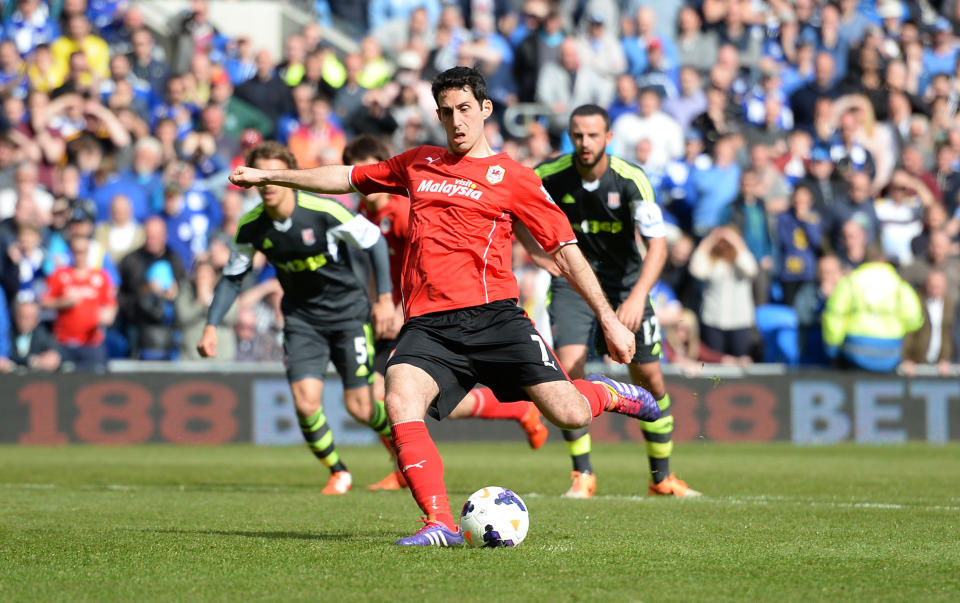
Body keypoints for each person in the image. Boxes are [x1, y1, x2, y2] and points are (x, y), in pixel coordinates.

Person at [228, 67, 661, 547]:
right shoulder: (418, 163)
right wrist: (271, 175)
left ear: (485, 110)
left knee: (571, 414)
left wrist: (607, 318)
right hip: (429, 325)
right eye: (447, 112)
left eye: (465, 110)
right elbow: (345, 178)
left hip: (495, 317)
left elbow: (565, 250)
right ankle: (439, 523)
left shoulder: (515, 177)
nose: (456, 121)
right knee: (398, 397)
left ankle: (611, 394)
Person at [341, 134, 550, 492]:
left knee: (410, 397)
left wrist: (393, 303)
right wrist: (380, 299)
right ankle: (405, 465)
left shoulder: (405, 209)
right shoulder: (364, 212)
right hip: (391, 310)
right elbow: (381, 264)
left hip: (420, 313)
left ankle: (516, 410)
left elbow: (426, 261)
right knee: (390, 398)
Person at [200, 141, 396, 496]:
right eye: (262, 178)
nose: (269, 184)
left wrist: (383, 299)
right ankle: (338, 471)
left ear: (289, 176)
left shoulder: (322, 210)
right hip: (303, 321)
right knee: (305, 402)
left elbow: (375, 243)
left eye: (275, 175)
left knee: (362, 408)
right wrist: (212, 324)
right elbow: (232, 277)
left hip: (348, 315)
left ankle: (402, 449)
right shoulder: (251, 227)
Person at [534, 104, 699, 499]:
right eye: (577, 135)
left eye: (593, 135)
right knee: (569, 373)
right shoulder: (549, 176)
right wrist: (539, 256)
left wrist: (639, 296)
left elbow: (657, 246)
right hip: (573, 286)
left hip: (627, 288)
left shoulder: (631, 179)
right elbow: (512, 214)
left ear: (608, 138)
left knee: (650, 379)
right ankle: (583, 475)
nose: (584, 143)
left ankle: (661, 478)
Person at [822, 244, 924, 372]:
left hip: (854, 351)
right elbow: (914, 319)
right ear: (884, 260)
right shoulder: (899, 284)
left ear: (863, 259)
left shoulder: (849, 282)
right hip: (890, 352)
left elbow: (834, 316)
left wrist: (833, 349)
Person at [41, 231, 117, 371]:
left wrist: (108, 315)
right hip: (64, 341)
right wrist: (62, 302)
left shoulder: (100, 277)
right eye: (76, 251)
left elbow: (110, 304)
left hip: (91, 342)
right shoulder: (60, 275)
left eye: (82, 252)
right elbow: (44, 302)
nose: (79, 255)